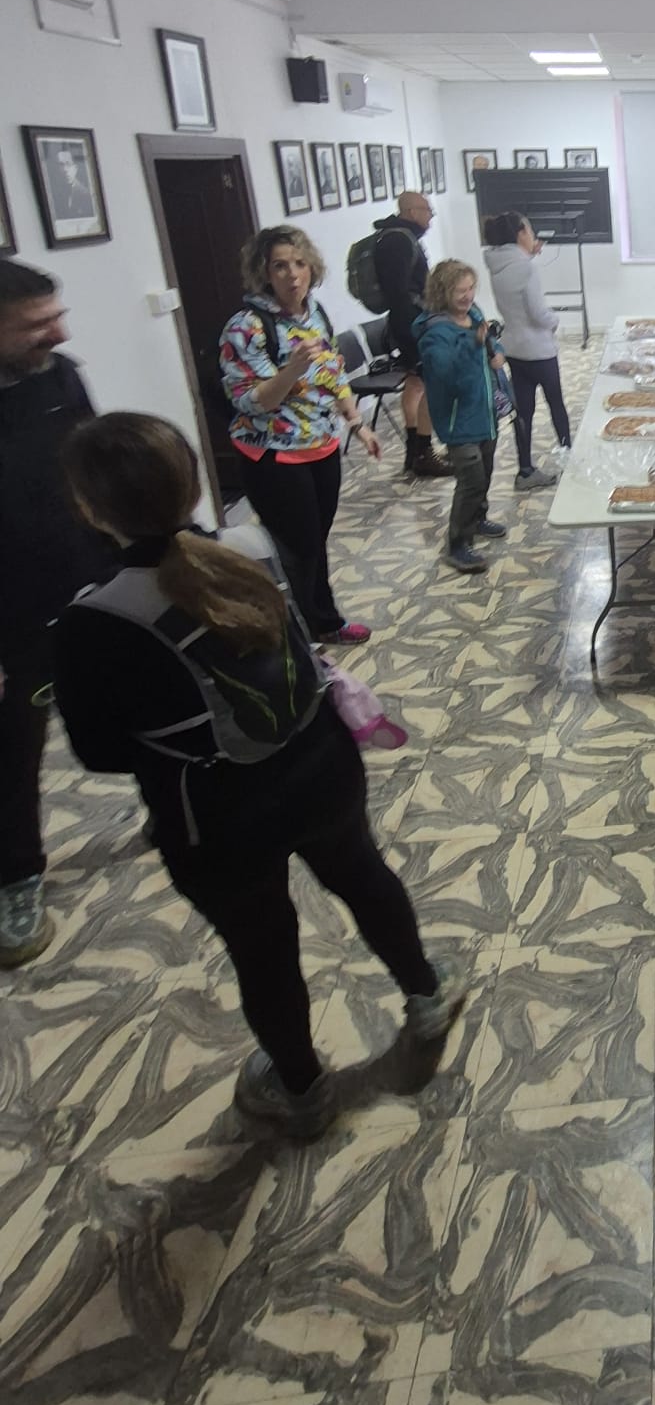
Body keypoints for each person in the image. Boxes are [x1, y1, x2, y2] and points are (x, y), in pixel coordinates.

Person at [53, 413, 467, 1139]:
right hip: (320, 764)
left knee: (263, 946)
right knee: (363, 876)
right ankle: (427, 998)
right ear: (190, 483)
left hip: (217, 815)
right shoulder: (249, 545)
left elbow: (99, 751)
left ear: (90, 510)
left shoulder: (97, 618)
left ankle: (301, 1090)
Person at [0, 262, 113, 966]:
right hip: (11, 618)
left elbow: (99, 472)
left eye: (57, 315)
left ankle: (173, 811)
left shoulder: (59, 376)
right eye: (37, 324)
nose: (60, 333)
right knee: (12, 754)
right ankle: (16, 878)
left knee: (133, 709)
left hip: (89, 588)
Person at [221, 227, 379, 647]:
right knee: (296, 549)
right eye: (280, 266)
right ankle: (297, 638)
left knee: (314, 543)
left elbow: (332, 373)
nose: (292, 275)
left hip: (321, 446)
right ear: (264, 273)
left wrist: (357, 423)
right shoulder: (246, 327)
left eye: (299, 263)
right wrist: (291, 369)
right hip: (273, 456)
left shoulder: (315, 313)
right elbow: (250, 402)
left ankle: (322, 622)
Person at [416, 261, 511, 571]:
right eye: (460, 291)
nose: (468, 296)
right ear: (443, 292)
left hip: (485, 413)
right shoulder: (435, 332)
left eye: (471, 288)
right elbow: (443, 372)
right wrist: (474, 344)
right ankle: (457, 544)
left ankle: (478, 518)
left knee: (485, 470)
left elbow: (489, 341)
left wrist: (496, 350)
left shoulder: (474, 314)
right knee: (470, 480)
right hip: (458, 421)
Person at [483, 211, 569, 490]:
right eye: (530, 231)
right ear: (521, 233)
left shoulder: (498, 264)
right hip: (539, 349)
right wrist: (554, 320)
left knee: (523, 411)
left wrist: (528, 254)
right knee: (556, 404)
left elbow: (516, 288)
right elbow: (537, 313)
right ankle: (569, 459)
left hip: (514, 348)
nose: (533, 237)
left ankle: (524, 470)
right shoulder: (526, 268)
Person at [371, 192, 453, 479]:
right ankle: (422, 452)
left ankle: (415, 452)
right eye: (426, 210)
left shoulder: (398, 236)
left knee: (416, 384)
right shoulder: (398, 241)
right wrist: (419, 326)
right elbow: (399, 293)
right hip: (411, 325)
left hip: (408, 322)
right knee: (427, 385)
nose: (430, 216)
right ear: (410, 211)